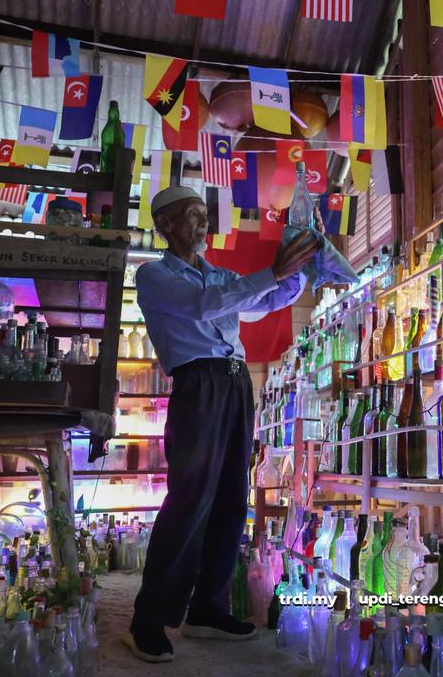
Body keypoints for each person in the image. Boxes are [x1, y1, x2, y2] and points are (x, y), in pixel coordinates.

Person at [123, 185, 319, 663]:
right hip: (199, 385)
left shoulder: (219, 275)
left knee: (232, 498)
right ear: (165, 224)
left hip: (235, 383)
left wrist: (297, 271)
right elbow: (205, 305)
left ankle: (207, 609)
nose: (203, 222)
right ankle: (148, 618)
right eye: (192, 214)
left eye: (203, 214)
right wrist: (272, 273)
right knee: (190, 500)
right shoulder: (154, 275)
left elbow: (259, 302)